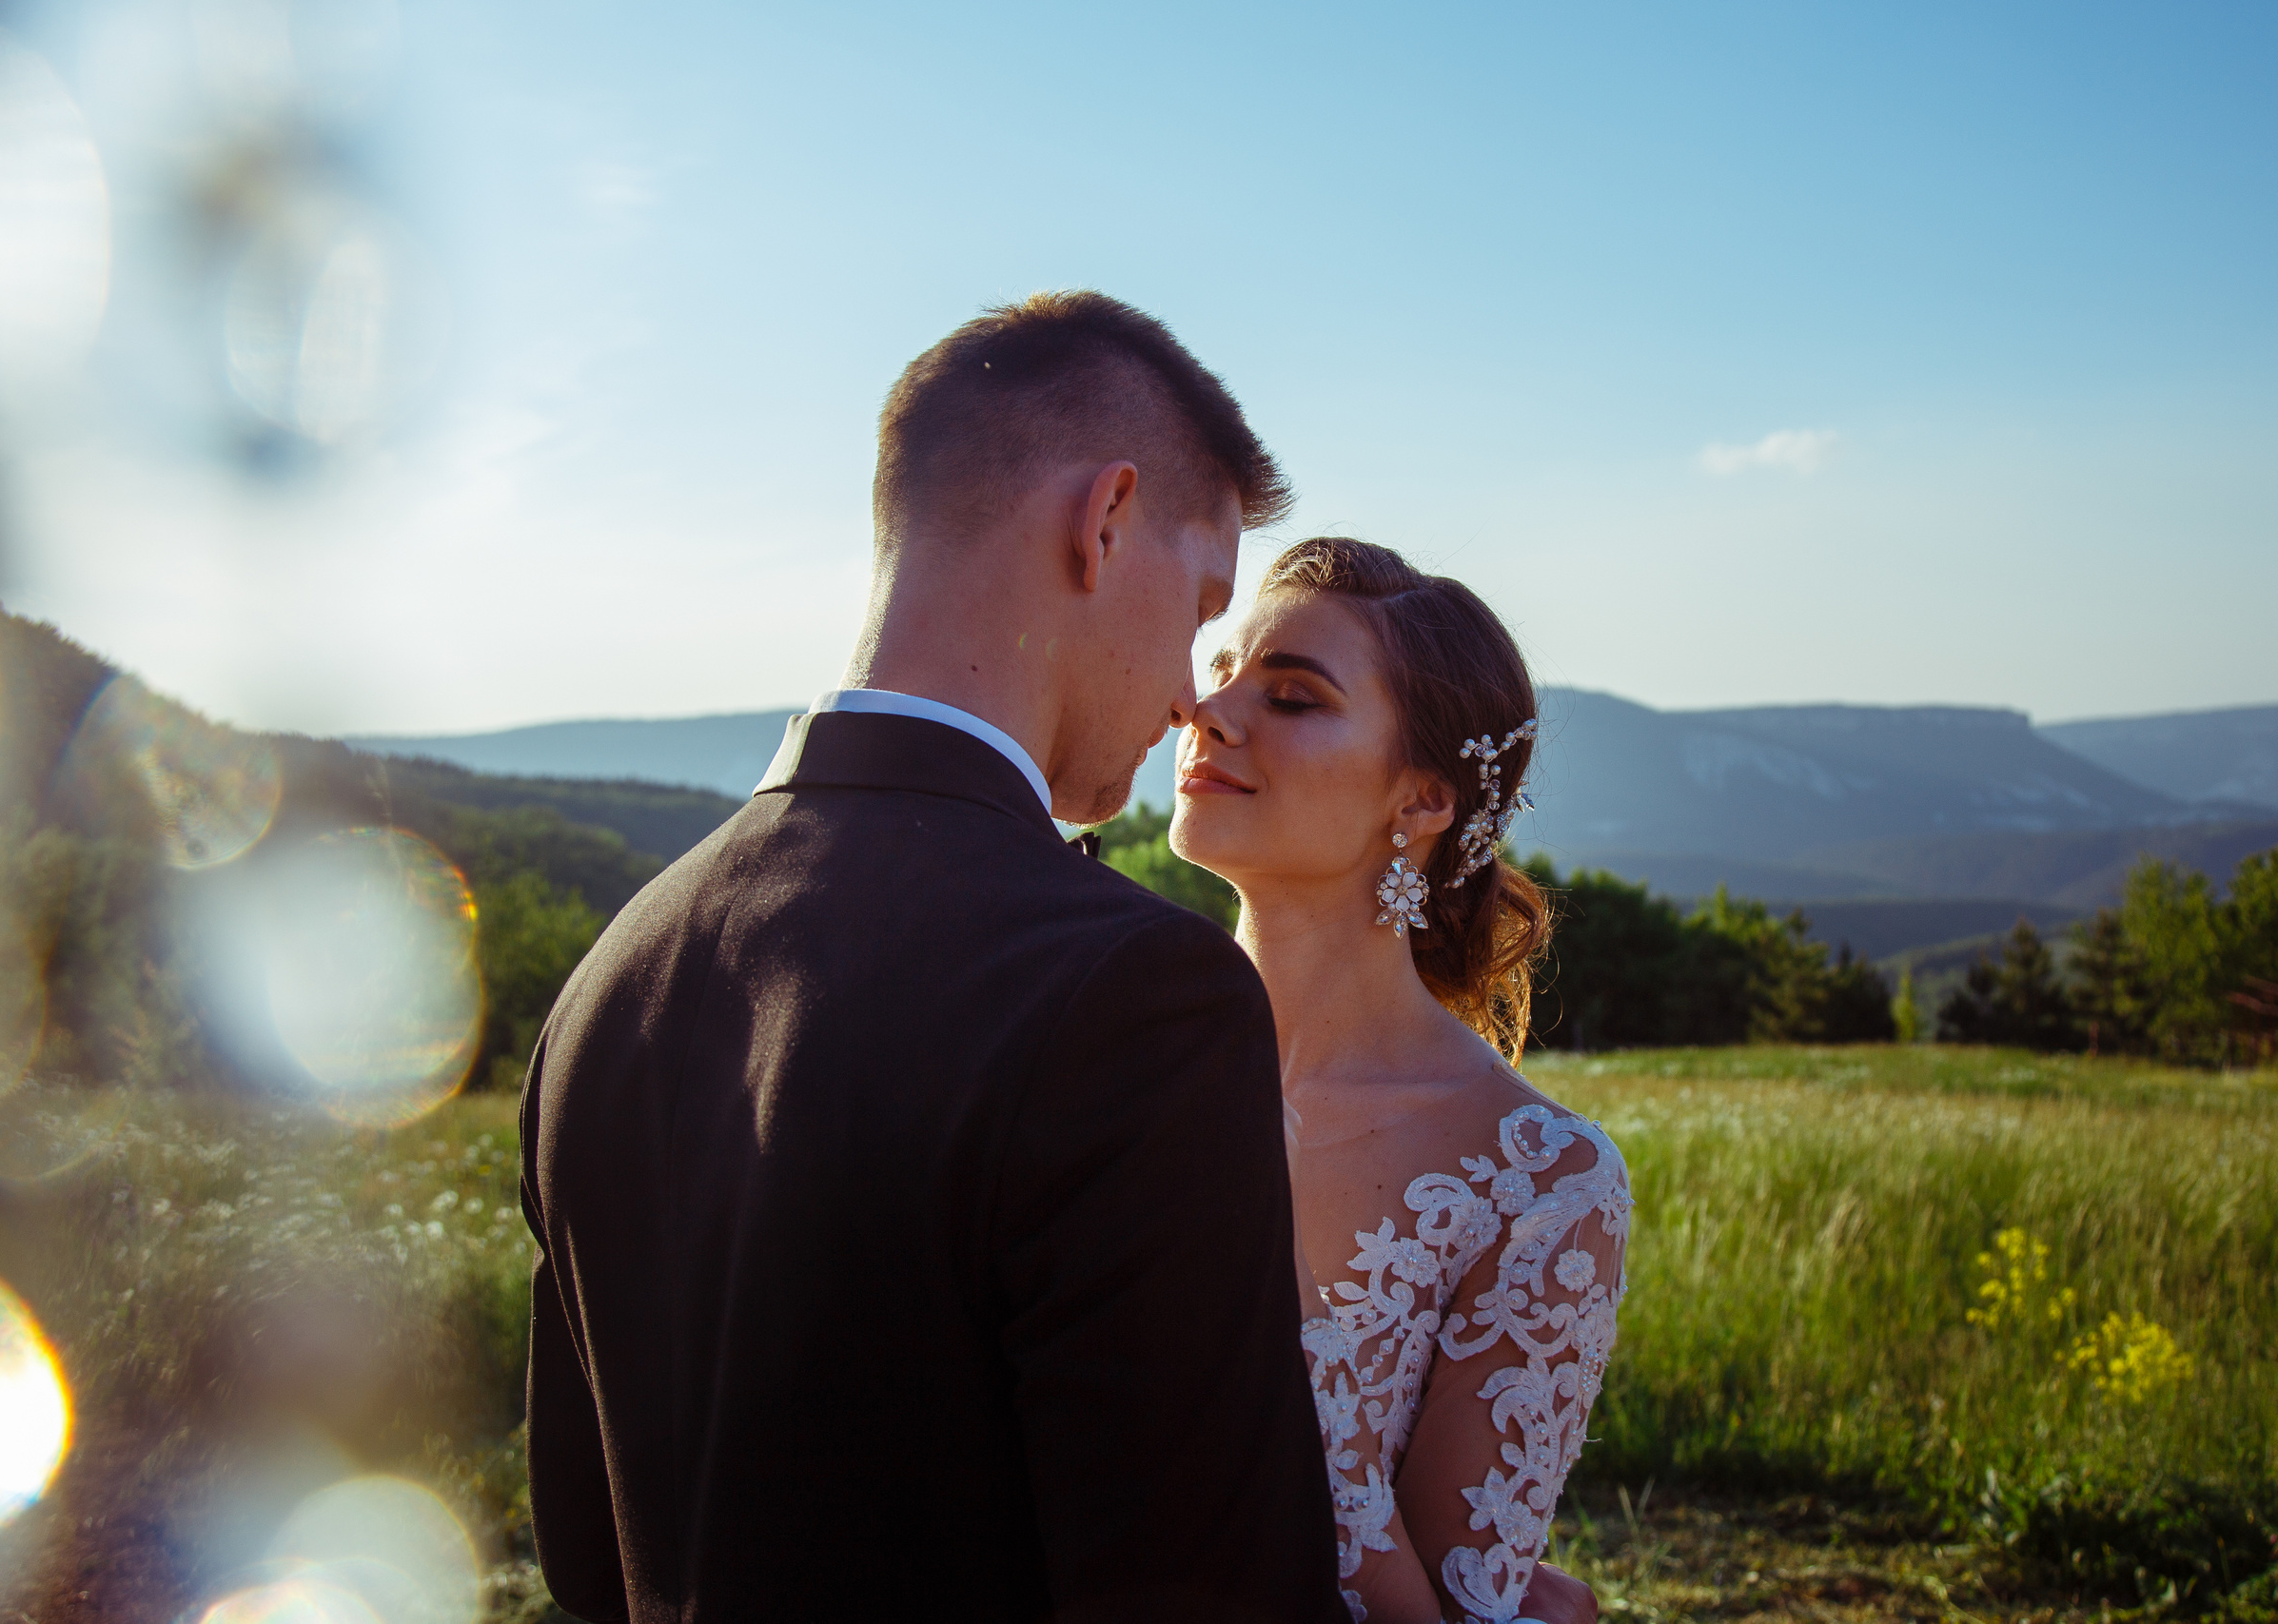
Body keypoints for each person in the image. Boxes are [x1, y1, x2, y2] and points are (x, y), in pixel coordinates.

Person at [518, 292, 1349, 1622]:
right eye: (1201, 606)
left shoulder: (616, 971)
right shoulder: (1139, 995)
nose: (1196, 693)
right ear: (1106, 520)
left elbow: (583, 1552)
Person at [1172, 538, 1630, 1624]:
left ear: (1422, 799)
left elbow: (1455, 1608)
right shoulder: (1090, 1063)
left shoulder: (1541, 1185)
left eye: (1288, 696)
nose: (1210, 712)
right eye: (1221, 669)